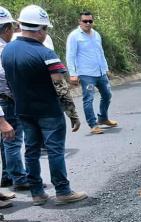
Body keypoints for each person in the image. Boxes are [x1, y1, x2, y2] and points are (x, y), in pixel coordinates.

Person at [2, 5, 86, 206]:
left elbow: (9, 84)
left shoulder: (7, 51)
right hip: (48, 111)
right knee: (55, 150)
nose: (45, 33)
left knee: (31, 151)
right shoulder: (46, 53)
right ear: (39, 29)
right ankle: (63, 191)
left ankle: (37, 193)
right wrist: (72, 114)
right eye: (45, 29)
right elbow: (60, 87)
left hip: (23, 110)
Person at [66, 11, 118, 135]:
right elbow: (70, 55)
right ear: (80, 22)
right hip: (86, 74)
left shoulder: (96, 35)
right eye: (85, 21)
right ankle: (93, 124)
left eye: (90, 21)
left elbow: (101, 53)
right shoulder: (74, 36)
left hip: (100, 73)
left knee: (107, 95)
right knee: (88, 99)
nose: (88, 23)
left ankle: (103, 118)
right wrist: (73, 74)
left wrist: (105, 69)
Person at [0, 6, 19, 207]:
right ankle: (18, 178)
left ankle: (7, 178)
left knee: (3, 144)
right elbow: (4, 77)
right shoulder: (4, 50)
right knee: (11, 139)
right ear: (6, 28)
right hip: (6, 99)